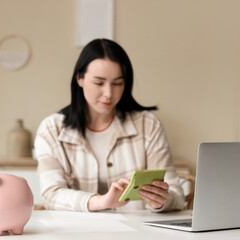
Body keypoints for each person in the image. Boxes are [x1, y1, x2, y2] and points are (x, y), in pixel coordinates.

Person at [34, 39, 184, 212]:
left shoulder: (148, 125)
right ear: (79, 78)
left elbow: (176, 194)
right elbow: (51, 195)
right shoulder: (51, 130)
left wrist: (163, 200)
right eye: (99, 83)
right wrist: (101, 201)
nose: (108, 94)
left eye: (117, 83)